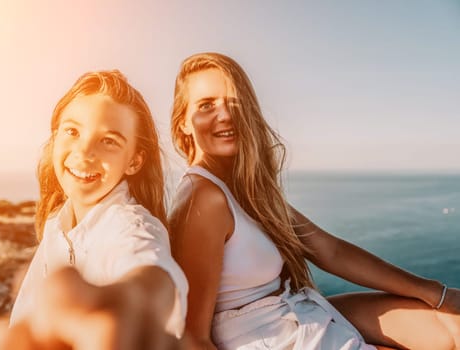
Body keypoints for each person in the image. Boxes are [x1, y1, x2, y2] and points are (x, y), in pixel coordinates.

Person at [168, 52, 460, 350]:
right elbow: (192, 336)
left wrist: (435, 293)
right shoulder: (203, 198)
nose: (226, 115)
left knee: (452, 324)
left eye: (235, 103)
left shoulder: (244, 190)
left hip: (298, 316)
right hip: (273, 338)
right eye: (206, 105)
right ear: (183, 123)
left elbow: (330, 251)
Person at [0, 70, 189, 349]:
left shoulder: (131, 225)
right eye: (72, 131)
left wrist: (135, 300)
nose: (85, 152)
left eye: (109, 141)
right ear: (55, 139)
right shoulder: (56, 223)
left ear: (134, 162)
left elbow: (153, 272)